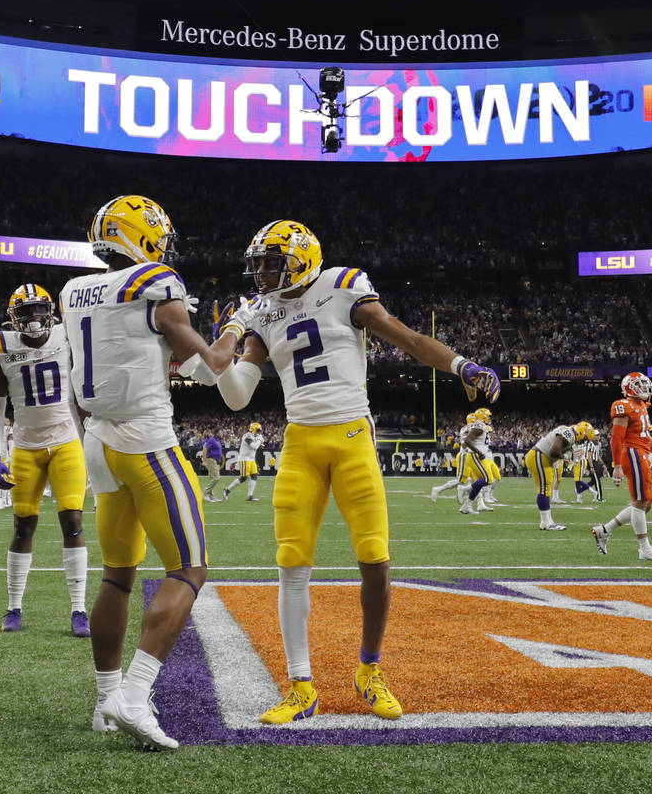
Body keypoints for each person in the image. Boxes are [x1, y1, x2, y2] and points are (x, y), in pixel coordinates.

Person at [212, 219, 500, 725]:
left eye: (269, 262)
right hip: (299, 440)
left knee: (374, 557)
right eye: (256, 263)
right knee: (291, 562)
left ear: (300, 258)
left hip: (350, 437)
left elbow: (407, 338)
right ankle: (301, 686)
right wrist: (216, 350)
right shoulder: (260, 311)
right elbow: (237, 396)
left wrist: (462, 366)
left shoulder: (342, 286)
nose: (259, 273)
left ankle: (369, 670)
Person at [61, 194, 238, 750]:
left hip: (97, 442)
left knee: (118, 574)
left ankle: (103, 700)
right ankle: (134, 697)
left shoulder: (73, 291)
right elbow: (212, 366)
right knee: (189, 569)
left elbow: (92, 370)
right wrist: (233, 327)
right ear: (142, 236)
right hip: (146, 440)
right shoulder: (155, 283)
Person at [0, 284, 91, 637]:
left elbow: (84, 393)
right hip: (26, 446)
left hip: (65, 442)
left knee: (73, 521)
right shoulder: (1, 347)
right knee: (22, 526)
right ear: (14, 318)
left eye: (39, 311)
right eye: (26, 312)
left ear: (51, 312)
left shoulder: (66, 336)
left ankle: (78, 609)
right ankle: (14, 606)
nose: (35, 319)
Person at [591, 372, 652, 561]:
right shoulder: (624, 406)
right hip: (632, 454)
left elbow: (648, 439)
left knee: (646, 505)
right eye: (640, 385)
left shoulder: (642, 407)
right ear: (629, 387)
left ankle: (604, 530)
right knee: (640, 502)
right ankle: (644, 548)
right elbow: (616, 438)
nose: (645, 388)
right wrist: (617, 466)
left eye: (646, 385)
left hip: (642, 454)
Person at [523, 421, 592, 530]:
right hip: (539, 456)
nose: (584, 441)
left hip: (542, 457)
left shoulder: (569, 432)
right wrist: (566, 456)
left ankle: (548, 521)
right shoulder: (569, 434)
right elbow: (553, 452)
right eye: (585, 438)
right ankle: (546, 523)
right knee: (544, 489)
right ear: (581, 433)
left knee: (546, 488)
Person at [222, 422, 264, 501]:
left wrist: (261, 443)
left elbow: (260, 446)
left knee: (254, 475)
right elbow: (254, 446)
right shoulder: (247, 436)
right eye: (257, 430)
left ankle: (250, 496)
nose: (259, 432)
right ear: (252, 429)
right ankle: (227, 490)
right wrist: (259, 440)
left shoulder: (257, 436)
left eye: (259, 430)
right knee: (244, 477)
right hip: (245, 459)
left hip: (251, 459)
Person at [195, 429, 224, 502]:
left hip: (215, 461)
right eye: (221, 433)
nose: (222, 434)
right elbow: (205, 449)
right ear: (217, 433)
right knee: (216, 478)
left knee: (212, 478)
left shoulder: (217, 440)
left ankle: (212, 496)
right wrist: (204, 461)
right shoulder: (212, 440)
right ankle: (205, 492)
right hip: (211, 460)